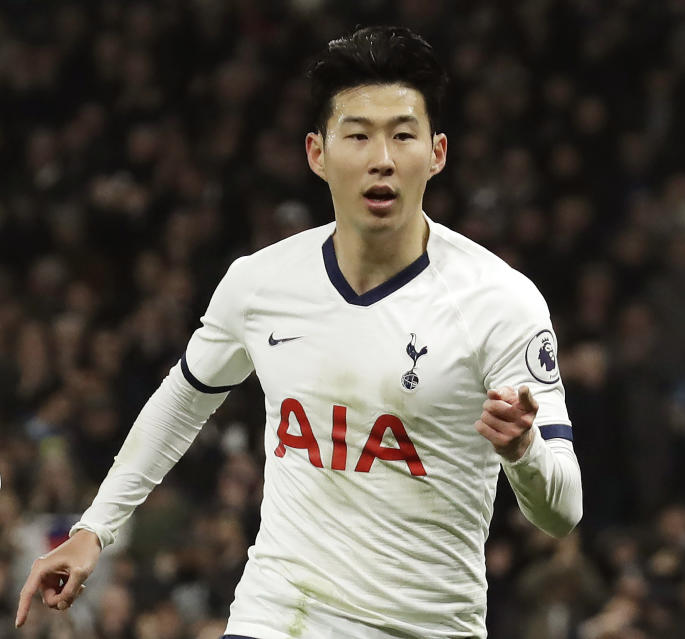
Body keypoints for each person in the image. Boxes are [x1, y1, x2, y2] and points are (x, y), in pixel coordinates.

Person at [15, 25, 583, 638]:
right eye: (359, 136)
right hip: (277, 616)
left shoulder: (500, 301)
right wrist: (93, 528)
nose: (382, 159)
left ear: (437, 153)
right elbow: (181, 401)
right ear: (317, 153)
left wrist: (523, 454)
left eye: (402, 135)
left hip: (425, 626)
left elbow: (562, 513)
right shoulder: (261, 283)